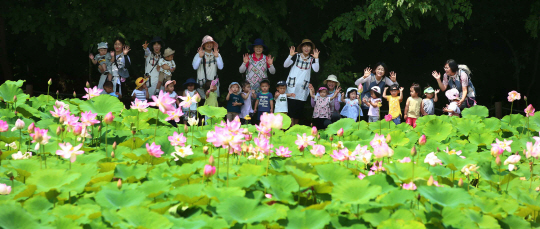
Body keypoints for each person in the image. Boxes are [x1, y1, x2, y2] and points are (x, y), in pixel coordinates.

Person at [284, 39, 320, 126]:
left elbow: (316, 69)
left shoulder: (312, 59)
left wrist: (316, 58)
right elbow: (285, 65)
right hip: (292, 87)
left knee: (298, 112)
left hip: (302, 89)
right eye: (304, 46)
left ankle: (295, 128)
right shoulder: (296, 56)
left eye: (308, 46)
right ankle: (291, 129)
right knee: (291, 110)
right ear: (301, 48)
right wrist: (290, 56)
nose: (306, 48)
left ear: (311, 48)